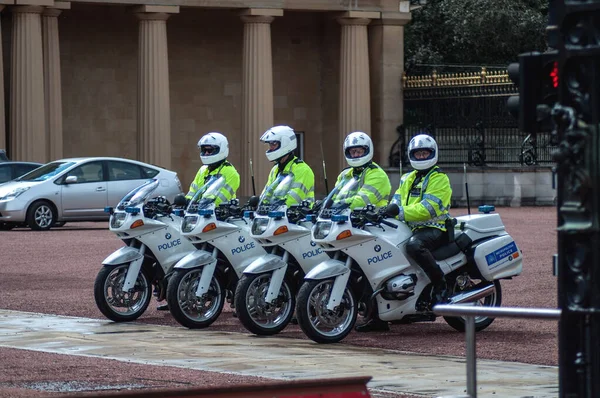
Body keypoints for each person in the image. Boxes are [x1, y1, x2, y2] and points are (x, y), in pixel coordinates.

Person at [356, 133, 452, 332]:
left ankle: (440, 285)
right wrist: (382, 211)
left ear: (433, 154)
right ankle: (377, 316)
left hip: (434, 229)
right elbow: (397, 201)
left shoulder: (439, 178)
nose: (422, 157)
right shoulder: (407, 177)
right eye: (418, 154)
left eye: (426, 153)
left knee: (414, 246)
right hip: (410, 227)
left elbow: (429, 208)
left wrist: (399, 212)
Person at [158, 132, 240, 311]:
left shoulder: (230, 172)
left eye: (210, 150)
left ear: (221, 150)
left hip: (219, 220)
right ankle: (178, 294)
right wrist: (183, 203)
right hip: (200, 218)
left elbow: (218, 197)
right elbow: (193, 191)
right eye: (204, 150)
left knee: (230, 258)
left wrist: (201, 205)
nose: (207, 154)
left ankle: (236, 294)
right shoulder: (203, 170)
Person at [331, 131, 391, 210]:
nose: (355, 155)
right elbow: (335, 197)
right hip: (348, 217)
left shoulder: (377, 174)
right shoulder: (344, 174)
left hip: (373, 219)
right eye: (352, 152)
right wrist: (325, 203)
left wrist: (341, 204)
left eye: (359, 152)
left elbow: (364, 199)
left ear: (367, 150)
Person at [259, 125, 315, 206]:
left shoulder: (302, 169)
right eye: (270, 145)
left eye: (273, 144)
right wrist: (260, 203)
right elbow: (267, 193)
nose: (270, 148)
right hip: (277, 214)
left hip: (299, 215)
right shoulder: (275, 169)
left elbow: (294, 199)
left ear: (285, 143)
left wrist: (274, 206)